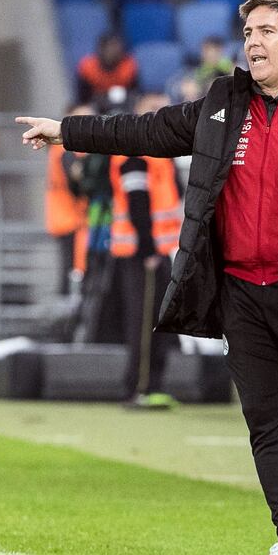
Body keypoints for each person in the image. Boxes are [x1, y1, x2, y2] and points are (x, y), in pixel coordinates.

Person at [17, 0, 278, 555]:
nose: (252, 41)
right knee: (264, 416)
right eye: (247, 31)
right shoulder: (221, 104)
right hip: (240, 288)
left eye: (265, 31)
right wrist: (68, 132)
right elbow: (148, 129)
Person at [109, 93, 182, 409]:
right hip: (141, 253)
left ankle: (152, 384)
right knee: (142, 322)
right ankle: (137, 387)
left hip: (158, 249)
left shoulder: (158, 151)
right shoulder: (135, 152)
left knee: (157, 320)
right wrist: (149, 249)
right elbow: (137, 203)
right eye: (151, 109)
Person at [44, 105, 90, 297]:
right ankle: (67, 314)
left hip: (69, 217)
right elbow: (76, 181)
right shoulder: (67, 148)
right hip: (70, 218)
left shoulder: (68, 147)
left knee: (71, 269)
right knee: (73, 270)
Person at [76, 32, 137, 110]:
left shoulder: (129, 66)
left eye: (115, 47)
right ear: (100, 49)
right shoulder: (88, 68)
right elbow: (83, 99)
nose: (112, 52)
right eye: (108, 47)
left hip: (125, 104)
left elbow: (135, 93)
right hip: (97, 106)